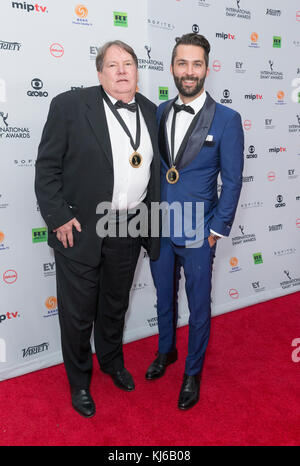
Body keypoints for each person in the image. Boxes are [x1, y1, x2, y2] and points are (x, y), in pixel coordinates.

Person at [35, 40, 160, 417]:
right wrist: (58, 217)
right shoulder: (70, 106)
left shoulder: (154, 112)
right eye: (113, 65)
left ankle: (112, 362)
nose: (122, 71)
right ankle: (79, 383)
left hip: (132, 224)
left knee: (114, 305)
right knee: (77, 313)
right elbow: (47, 168)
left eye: (128, 64)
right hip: (81, 226)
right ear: (99, 72)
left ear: (137, 71)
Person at [145, 33, 244, 410]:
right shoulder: (158, 112)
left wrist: (216, 229)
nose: (189, 71)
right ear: (172, 67)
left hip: (200, 229)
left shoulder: (228, 119)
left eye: (196, 64)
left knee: (198, 304)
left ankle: (192, 371)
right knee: (163, 298)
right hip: (160, 226)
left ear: (207, 68)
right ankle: (166, 351)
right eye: (182, 63)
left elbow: (232, 181)